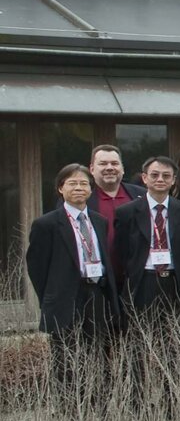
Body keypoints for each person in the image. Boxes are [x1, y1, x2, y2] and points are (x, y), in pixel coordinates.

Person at [26, 163, 120, 392]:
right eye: (72, 183)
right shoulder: (46, 224)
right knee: (66, 359)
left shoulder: (99, 221)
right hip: (65, 297)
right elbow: (36, 267)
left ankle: (99, 408)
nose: (79, 188)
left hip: (96, 294)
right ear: (60, 188)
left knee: (98, 354)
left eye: (84, 184)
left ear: (91, 189)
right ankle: (71, 414)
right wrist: (50, 298)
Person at [113, 155, 180, 326]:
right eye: (154, 175)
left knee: (176, 338)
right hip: (143, 282)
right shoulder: (126, 212)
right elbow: (121, 251)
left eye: (166, 176)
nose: (160, 179)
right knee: (141, 338)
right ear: (144, 178)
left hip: (175, 283)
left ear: (174, 180)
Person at [86, 144, 136, 265]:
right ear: (92, 169)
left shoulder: (141, 195)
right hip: (99, 274)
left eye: (114, 163)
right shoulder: (82, 199)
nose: (109, 168)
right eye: (103, 164)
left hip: (134, 275)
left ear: (122, 168)